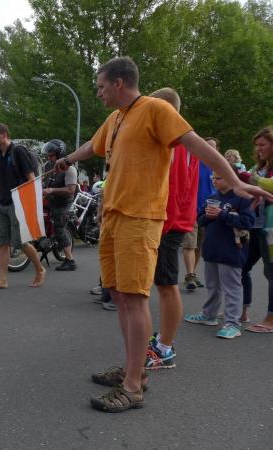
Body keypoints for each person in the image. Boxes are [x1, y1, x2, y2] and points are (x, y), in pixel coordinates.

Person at [58, 56, 271, 413]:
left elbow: (197, 144)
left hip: (140, 217)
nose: (98, 93)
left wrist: (235, 181)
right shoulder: (116, 119)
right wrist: (67, 160)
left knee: (135, 297)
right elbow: (93, 147)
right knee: (119, 295)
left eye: (101, 86)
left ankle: (133, 385)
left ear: (119, 83)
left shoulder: (155, 109)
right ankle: (133, 368)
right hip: (113, 216)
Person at [144, 88, 200, 370]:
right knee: (164, 283)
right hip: (174, 219)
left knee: (166, 285)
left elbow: (174, 187)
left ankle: (164, 349)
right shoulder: (184, 138)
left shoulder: (174, 140)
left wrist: (162, 223)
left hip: (168, 221)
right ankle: (162, 343)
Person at [184, 173, 253, 339]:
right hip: (212, 249)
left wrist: (222, 214)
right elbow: (200, 220)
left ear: (229, 177)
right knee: (212, 285)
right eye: (213, 178)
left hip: (231, 250)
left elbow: (248, 222)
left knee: (232, 288)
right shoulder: (212, 197)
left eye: (218, 178)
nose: (214, 181)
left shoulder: (243, 197)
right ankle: (209, 315)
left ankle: (232, 324)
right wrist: (207, 216)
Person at [0, 123, 45, 290]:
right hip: (1, 204)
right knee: (1, 243)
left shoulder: (18, 151)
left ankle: (40, 269)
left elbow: (31, 178)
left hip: (18, 203)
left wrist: (31, 204)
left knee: (21, 242)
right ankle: (2, 279)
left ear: (4, 134)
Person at [238, 127, 273, 333]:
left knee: (271, 272)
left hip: (271, 229)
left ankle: (271, 319)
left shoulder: (255, 172)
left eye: (263, 144)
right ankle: (241, 311)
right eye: (257, 145)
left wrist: (247, 178)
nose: (258, 149)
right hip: (254, 226)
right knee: (241, 266)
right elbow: (244, 184)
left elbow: (269, 185)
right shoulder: (258, 168)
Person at [183, 138, 219, 291]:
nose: (209, 149)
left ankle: (192, 273)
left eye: (213, 147)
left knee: (199, 246)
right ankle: (190, 275)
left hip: (208, 212)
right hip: (191, 210)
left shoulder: (218, 166)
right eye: (207, 145)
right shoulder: (193, 162)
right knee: (189, 244)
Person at [42, 139, 77, 270]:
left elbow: (70, 190)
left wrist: (52, 190)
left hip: (63, 203)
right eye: (48, 155)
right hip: (50, 200)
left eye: (51, 155)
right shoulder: (47, 165)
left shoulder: (70, 169)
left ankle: (70, 260)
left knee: (59, 228)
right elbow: (44, 181)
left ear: (59, 154)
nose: (49, 158)